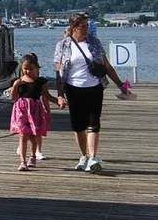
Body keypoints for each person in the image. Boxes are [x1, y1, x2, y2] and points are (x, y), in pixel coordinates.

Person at [53, 13, 135, 173]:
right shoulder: (63, 45)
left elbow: (107, 66)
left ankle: (93, 157)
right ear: (73, 27)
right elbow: (59, 71)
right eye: (82, 26)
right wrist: (60, 95)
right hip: (73, 87)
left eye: (87, 26)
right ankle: (84, 156)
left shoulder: (94, 42)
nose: (86, 29)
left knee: (93, 122)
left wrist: (121, 85)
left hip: (94, 87)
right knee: (78, 126)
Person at [8, 54, 51, 171]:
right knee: (22, 135)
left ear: (37, 68)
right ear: (21, 68)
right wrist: (15, 86)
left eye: (30, 69)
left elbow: (47, 96)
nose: (27, 71)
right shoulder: (19, 81)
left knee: (33, 136)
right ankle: (22, 161)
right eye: (25, 68)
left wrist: (58, 101)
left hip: (35, 110)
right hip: (21, 110)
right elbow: (13, 97)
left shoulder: (40, 82)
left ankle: (32, 156)